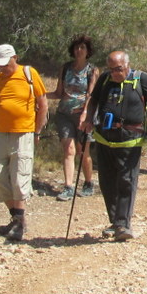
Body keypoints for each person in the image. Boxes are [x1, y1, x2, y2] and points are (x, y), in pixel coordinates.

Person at [81, 51, 147, 241]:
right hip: (104, 138)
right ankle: (115, 221)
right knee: (106, 182)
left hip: (130, 139)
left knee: (127, 180)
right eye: (111, 69)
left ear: (127, 65)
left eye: (118, 69)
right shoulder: (104, 79)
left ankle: (122, 224)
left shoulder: (141, 79)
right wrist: (88, 119)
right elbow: (93, 100)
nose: (114, 73)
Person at [0, 44, 48, 241]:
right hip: (0, 133)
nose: (2, 68)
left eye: (5, 64)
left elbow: (43, 103)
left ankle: (19, 223)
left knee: (19, 177)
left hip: (23, 133)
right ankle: (16, 218)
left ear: (15, 57)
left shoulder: (29, 73)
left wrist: (37, 131)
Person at [49, 35, 100, 201]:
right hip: (64, 114)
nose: (79, 51)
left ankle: (88, 182)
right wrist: (40, 96)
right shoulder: (65, 68)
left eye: (82, 48)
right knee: (68, 150)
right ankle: (68, 186)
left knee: (82, 151)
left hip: (82, 117)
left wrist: (86, 114)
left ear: (88, 51)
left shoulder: (92, 70)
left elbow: (91, 95)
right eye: (77, 48)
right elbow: (58, 92)